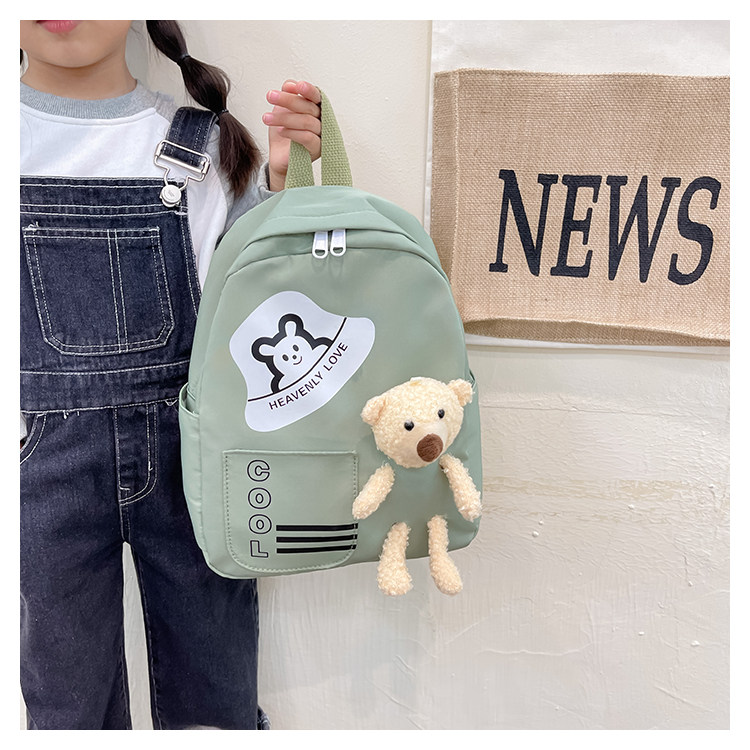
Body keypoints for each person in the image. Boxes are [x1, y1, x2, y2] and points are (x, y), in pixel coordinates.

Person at [20, 19, 322, 730]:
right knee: (66, 709)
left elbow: (269, 313)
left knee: (215, 698)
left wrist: (286, 186)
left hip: (196, 463)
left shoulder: (207, 145)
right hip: (35, 469)